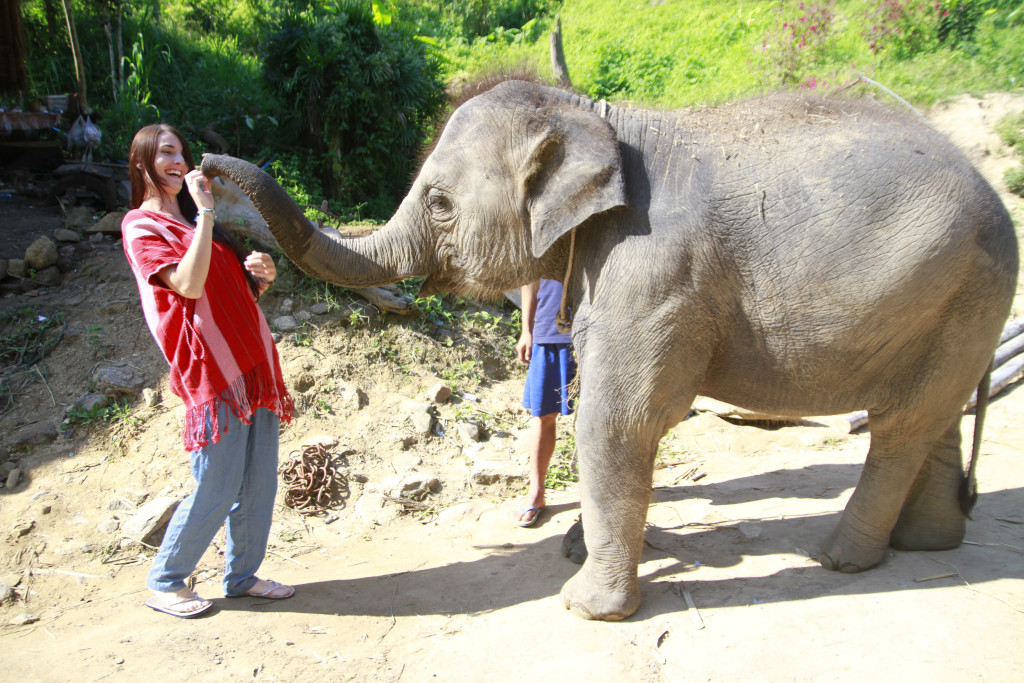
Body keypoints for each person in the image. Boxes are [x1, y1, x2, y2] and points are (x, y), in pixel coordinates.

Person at [121, 124, 296, 618]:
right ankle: (166, 580)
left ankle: (242, 577)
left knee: (259, 479)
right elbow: (188, 285)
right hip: (211, 371)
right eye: (166, 153)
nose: (179, 161)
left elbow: (228, 296)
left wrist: (261, 277)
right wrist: (205, 213)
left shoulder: (206, 227)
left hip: (254, 363)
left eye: (182, 152)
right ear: (142, 163)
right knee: (218, 483)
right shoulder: (142, 226)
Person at [514, 278, 577, 527]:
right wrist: (526, 329)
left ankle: (609, 498)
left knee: (606, 418)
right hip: (549, 332)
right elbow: (529, 280)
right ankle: (537, 493)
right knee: (543, 416)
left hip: (598, 331)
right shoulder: (534, 239)